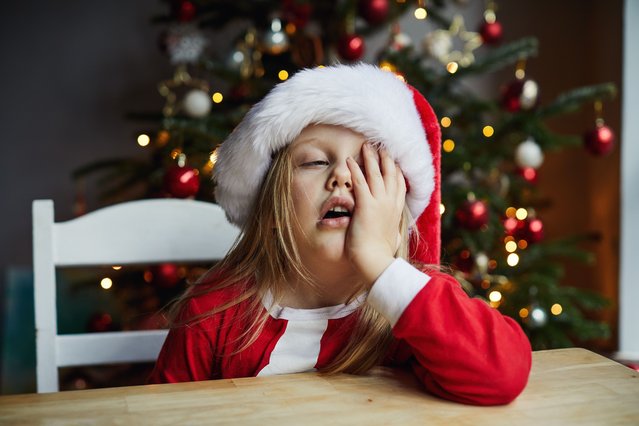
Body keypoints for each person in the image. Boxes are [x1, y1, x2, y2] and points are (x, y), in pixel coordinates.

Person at [149, 63, 532, 406]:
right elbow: (163, 414)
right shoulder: (215, 310)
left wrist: (381, 265)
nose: (344, 176)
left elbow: (502, 375)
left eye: (369, 165)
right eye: (316, 161)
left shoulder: (410, 304)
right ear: (271, 211)